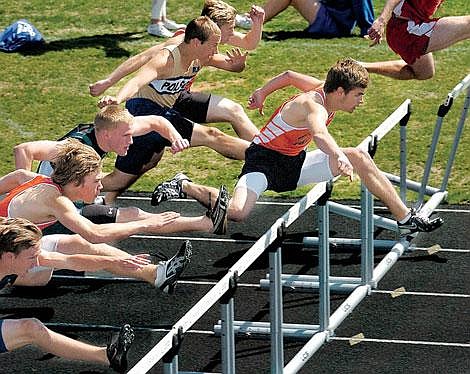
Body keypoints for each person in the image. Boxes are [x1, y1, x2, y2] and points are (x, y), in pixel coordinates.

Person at [152, 59, 444, 238]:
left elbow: (289, 74)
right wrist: (336, 155)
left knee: (360, 156)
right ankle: (186, 185)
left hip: (293, 162)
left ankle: (405, 218)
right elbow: (319, 133)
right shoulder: (313, 105)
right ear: (340, 92)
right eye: (358, 95)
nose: (361, 102)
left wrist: (262, 92)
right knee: (238, 212)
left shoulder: (325, 90)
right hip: (263, 163)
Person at [90, 3, 265, 141]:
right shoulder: (180, 45)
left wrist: (257, 25)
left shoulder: (208, 47)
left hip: (178, 96)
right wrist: (109, 82)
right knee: (211, 138)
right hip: (153, 104)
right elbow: (142, 59)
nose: (233, 35)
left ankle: (268, 151)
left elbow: (245, 49)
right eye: (230, 29)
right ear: (214, 28)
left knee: (233, 110)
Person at [1, 139, 229, 240]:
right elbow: (94, 233)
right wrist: (145, 225)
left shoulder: (42, 181)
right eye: (96, 181)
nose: (101, 186)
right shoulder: (57, 201)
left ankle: (205, 224)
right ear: (77, 181)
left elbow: (19, 176)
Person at [13, 105, 243, 204]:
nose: (131, 141)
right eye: (125, 137)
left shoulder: (121, 127)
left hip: (76, 182)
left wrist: (175, 138)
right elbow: (24, 149)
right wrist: (26, 188)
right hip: (53, 187)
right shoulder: (74, 147)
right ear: (107, 135)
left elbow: (157, 121)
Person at [0, 217, 134, 373]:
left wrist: (114, 262)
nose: (36, 262)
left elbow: (71, 261)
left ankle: (108, 356)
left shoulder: (15, 258)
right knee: (29, 328)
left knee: (31, 327)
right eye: (31, 257)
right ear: (10, 256)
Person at [363, 0, 470, 80]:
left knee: (425, 72)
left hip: (412, 26)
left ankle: (364, 66)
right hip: (405, 30)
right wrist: (381, 20)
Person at [236, 0, 374, 38]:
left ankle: (252, 22)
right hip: (328, 14)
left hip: (334, 25)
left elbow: (362, 3)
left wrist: (366, 29)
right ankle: (254, 20)